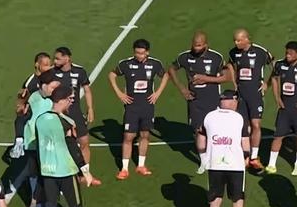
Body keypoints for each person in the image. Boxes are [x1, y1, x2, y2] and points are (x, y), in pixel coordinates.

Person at [35, 86, 98, 207]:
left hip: (47, 171)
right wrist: (86, 172)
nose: (71, 101)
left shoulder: (40, 120)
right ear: (62, 100)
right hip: (66, 171)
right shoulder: (67, 122)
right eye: (70, 99)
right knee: (75, 206)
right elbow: (74, 150)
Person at [7, 70, 62, 207]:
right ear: (44, 86)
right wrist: (19, 139)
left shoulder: (48, 99)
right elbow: (21, 118)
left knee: (36, 179)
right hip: (35, 146)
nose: (54, 91)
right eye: (52, 88)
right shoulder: (35, 100)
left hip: (42, 146)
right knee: (40, 180)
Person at [197, 90, 252, 207]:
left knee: (214, 203)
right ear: (233, 101)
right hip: (235, 166)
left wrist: (203, 156)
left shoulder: (209, 116)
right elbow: (245, 142)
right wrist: (247, 157)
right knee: (238, 204)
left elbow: (201, 139)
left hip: (215, 166)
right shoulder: (239, 118)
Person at [169, 31, 227, 174]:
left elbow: (228, 77)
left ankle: (218, 158)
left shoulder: (216, 57)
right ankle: (203, 160)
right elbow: (171, 69)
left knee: (215, 130)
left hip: (213, 100)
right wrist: (182, 88)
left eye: (199, 45)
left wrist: (207, 79)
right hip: (194, 100)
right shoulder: (185, 57)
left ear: (206, 45)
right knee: (198, 130)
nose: (196, 48)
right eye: (194, 45)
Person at [109, 39, 169, 180]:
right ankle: (124, 168)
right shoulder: (126, 64)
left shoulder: (155, 64)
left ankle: (141, 165)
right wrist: (119, 93)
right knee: (128, 136)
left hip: (147, 106)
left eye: (142, 53)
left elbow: (166, 75)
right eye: (137, 52)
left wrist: (158, 93)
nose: (139, 55)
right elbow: (111, 75)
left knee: (145, 135)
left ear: (147, 52)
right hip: (132, 107)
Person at [227, 29, 273, 171]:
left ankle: (254, 157)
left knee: (256, 125)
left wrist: (267, 83)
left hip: (255, 95)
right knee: (242, 126)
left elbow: (275, 65)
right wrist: (234, 82)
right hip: (241, 94)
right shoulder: (234, 53)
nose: (236, 43)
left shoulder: (260, 52)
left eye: (239, 40)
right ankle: (244, 158)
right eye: (235, 40)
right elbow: (230, 64)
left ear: (247, 39)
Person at [265, 41, 297, 175]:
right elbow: (274, 79)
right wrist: (277, 98)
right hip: (284, 109)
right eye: (286, 53)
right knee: (278, 135)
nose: (287, 56)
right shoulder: (280, 65)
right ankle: (271, 164)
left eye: (291, 54)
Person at [53, 46, 98, 183]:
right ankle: (62, 177)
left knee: (84, 142)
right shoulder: (52, 73)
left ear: (67, 58)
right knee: (61, 145)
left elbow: (87, 90)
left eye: (58, 58)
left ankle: (85, 174)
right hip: (59, 115)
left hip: (76, 113)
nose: (55, 61)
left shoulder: (79, 71)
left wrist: (90, 108)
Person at [11, 52, 52, 159]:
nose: (49, 67)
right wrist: (21, 106)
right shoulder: (31, 81)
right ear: (37, 65)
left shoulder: (51, 78)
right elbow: (22, 96)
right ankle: (19, 143)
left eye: (50, 64)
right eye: (46, 64)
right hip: (34, 111)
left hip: (47, 110)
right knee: (20, 119)